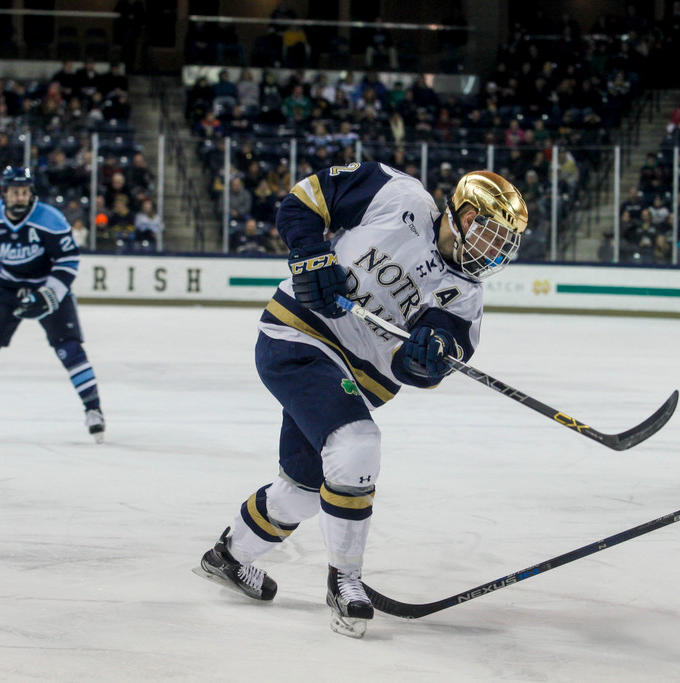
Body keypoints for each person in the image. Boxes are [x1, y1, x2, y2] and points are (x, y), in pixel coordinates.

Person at [195, 162, 529, 637]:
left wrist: (425, 356)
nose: (496, 253)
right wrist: (311, 256)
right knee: (356, 445)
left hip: (349, 380)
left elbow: (425, 365)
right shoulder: (399, 195)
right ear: (467, 217)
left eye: (505, 245)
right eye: (493, 237)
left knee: (303, 491)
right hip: (299, 338)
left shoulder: (465, 299)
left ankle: (227, 557)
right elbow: (305, 200)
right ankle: (344, 582)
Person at [0, 166, 105, 443]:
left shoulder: (50, 219)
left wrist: (49, 295)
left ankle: (94, 411)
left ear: (31, 193)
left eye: (24, 192)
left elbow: (68, 261)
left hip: (47, 286)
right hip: (6, 288)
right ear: (4, 193)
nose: (20, 197)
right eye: (14, 192)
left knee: (70, 349)